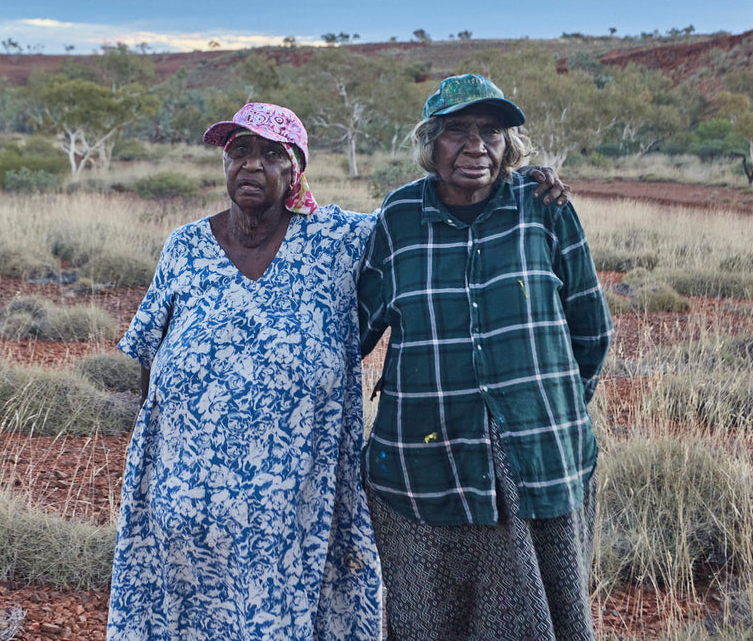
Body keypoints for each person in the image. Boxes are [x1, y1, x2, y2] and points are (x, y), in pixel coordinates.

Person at [106, 102, 570, 641]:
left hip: (295, 512)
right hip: (182, 503)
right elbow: (150, 356)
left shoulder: (340, 240)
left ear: (297, 169)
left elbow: (431, 223)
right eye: (239, 151)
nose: (252, 164)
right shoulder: (185, 246)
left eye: (272, 154)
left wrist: (511, 185)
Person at [358, 74, 612, 641]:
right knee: (429, 617)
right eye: (457, 131)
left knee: (547, 615)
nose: (476, 146)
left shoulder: (543, 207)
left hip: (539, 455)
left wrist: (550, 407)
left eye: (491, 132)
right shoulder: (400, 216)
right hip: (425, 461)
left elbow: (592, 328)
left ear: (508, 144)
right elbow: (358, 325)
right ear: (431, 143)